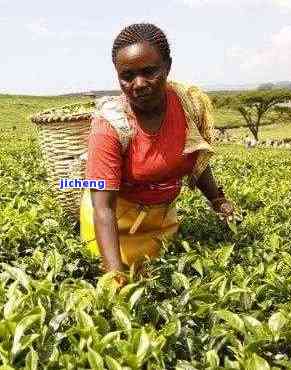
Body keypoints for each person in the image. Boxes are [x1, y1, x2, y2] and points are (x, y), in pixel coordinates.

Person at [79, 23, 234, 285]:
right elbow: (103, 208)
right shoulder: (110, 124)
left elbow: (196, 159)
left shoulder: (187, 105)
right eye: (127, 76)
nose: (138, 84)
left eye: (149, 71)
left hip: (162, 221)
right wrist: (115, 278)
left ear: (168, 66)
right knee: (131, 276)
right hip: (116, 224)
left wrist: (218, 201)